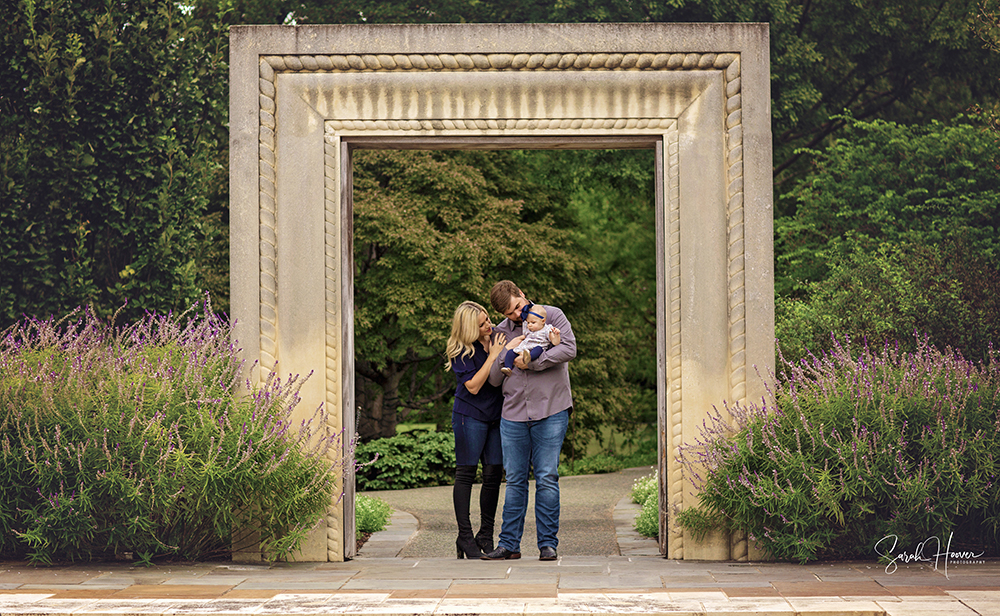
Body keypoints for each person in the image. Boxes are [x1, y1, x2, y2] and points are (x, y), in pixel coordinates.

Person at [481, 281, 576, 562]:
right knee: (514, 480)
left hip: (552, 409)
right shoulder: (500, 331)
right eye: (509, 313)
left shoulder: (552, 315)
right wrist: (503, 352)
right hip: (513, 414)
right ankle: (509, 545)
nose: (516, 315)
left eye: (518, 307)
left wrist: (533, 362)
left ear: (522, 294)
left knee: (547, 477)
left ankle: (548, 545)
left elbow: (569, 349)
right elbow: (496, 379)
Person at [444, 301, 507, 559]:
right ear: (470, 328)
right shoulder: (461, 351)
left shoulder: (495, 338)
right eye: (482, 324)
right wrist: (493, 356)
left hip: (495, 417)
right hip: (469, 415)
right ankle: (465, 536)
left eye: (488, 319)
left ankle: (485, 534)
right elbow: (473, 386)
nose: (488, 325)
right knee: (466, 475)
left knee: (493, 476)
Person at [500, 304, 561, 377]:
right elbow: (524, 320)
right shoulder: (528, 330)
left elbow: (555, 342)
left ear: (543, 321)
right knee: (510, 352)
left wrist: (557, 334)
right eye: (528, 323)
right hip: (523, 349)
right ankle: (508, 368)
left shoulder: (547, 330)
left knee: (538, 349)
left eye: (533, 322)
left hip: (535, 348)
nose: (529, 325)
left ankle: (529, 358)